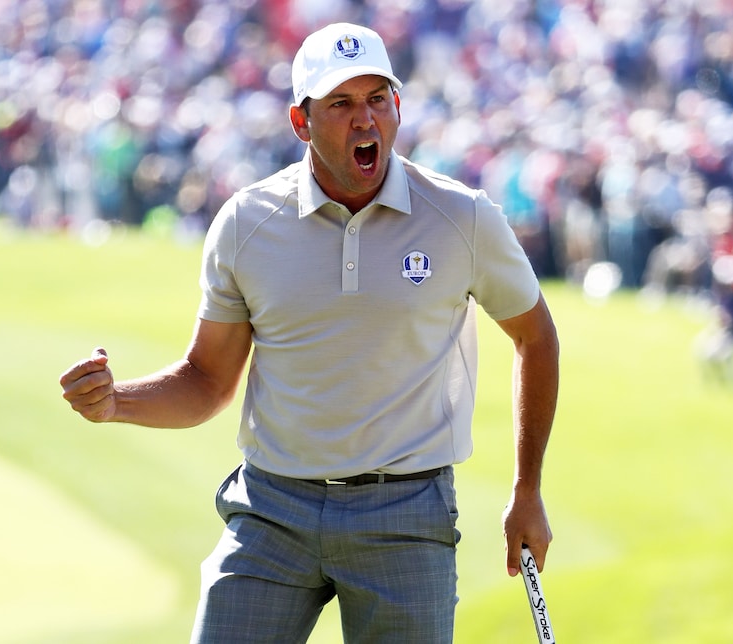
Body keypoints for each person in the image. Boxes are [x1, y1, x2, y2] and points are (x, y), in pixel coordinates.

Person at [59, 22, 559, 643]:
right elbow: (208, 380)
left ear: (397, 106)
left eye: (378, 98)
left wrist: (527, 489)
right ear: (301, 121)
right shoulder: (247, 222)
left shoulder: (462, 218)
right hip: (272, 512)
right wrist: (115, 404)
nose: (366, 120)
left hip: (405, 516)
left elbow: (535, 336)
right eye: (341, 104)